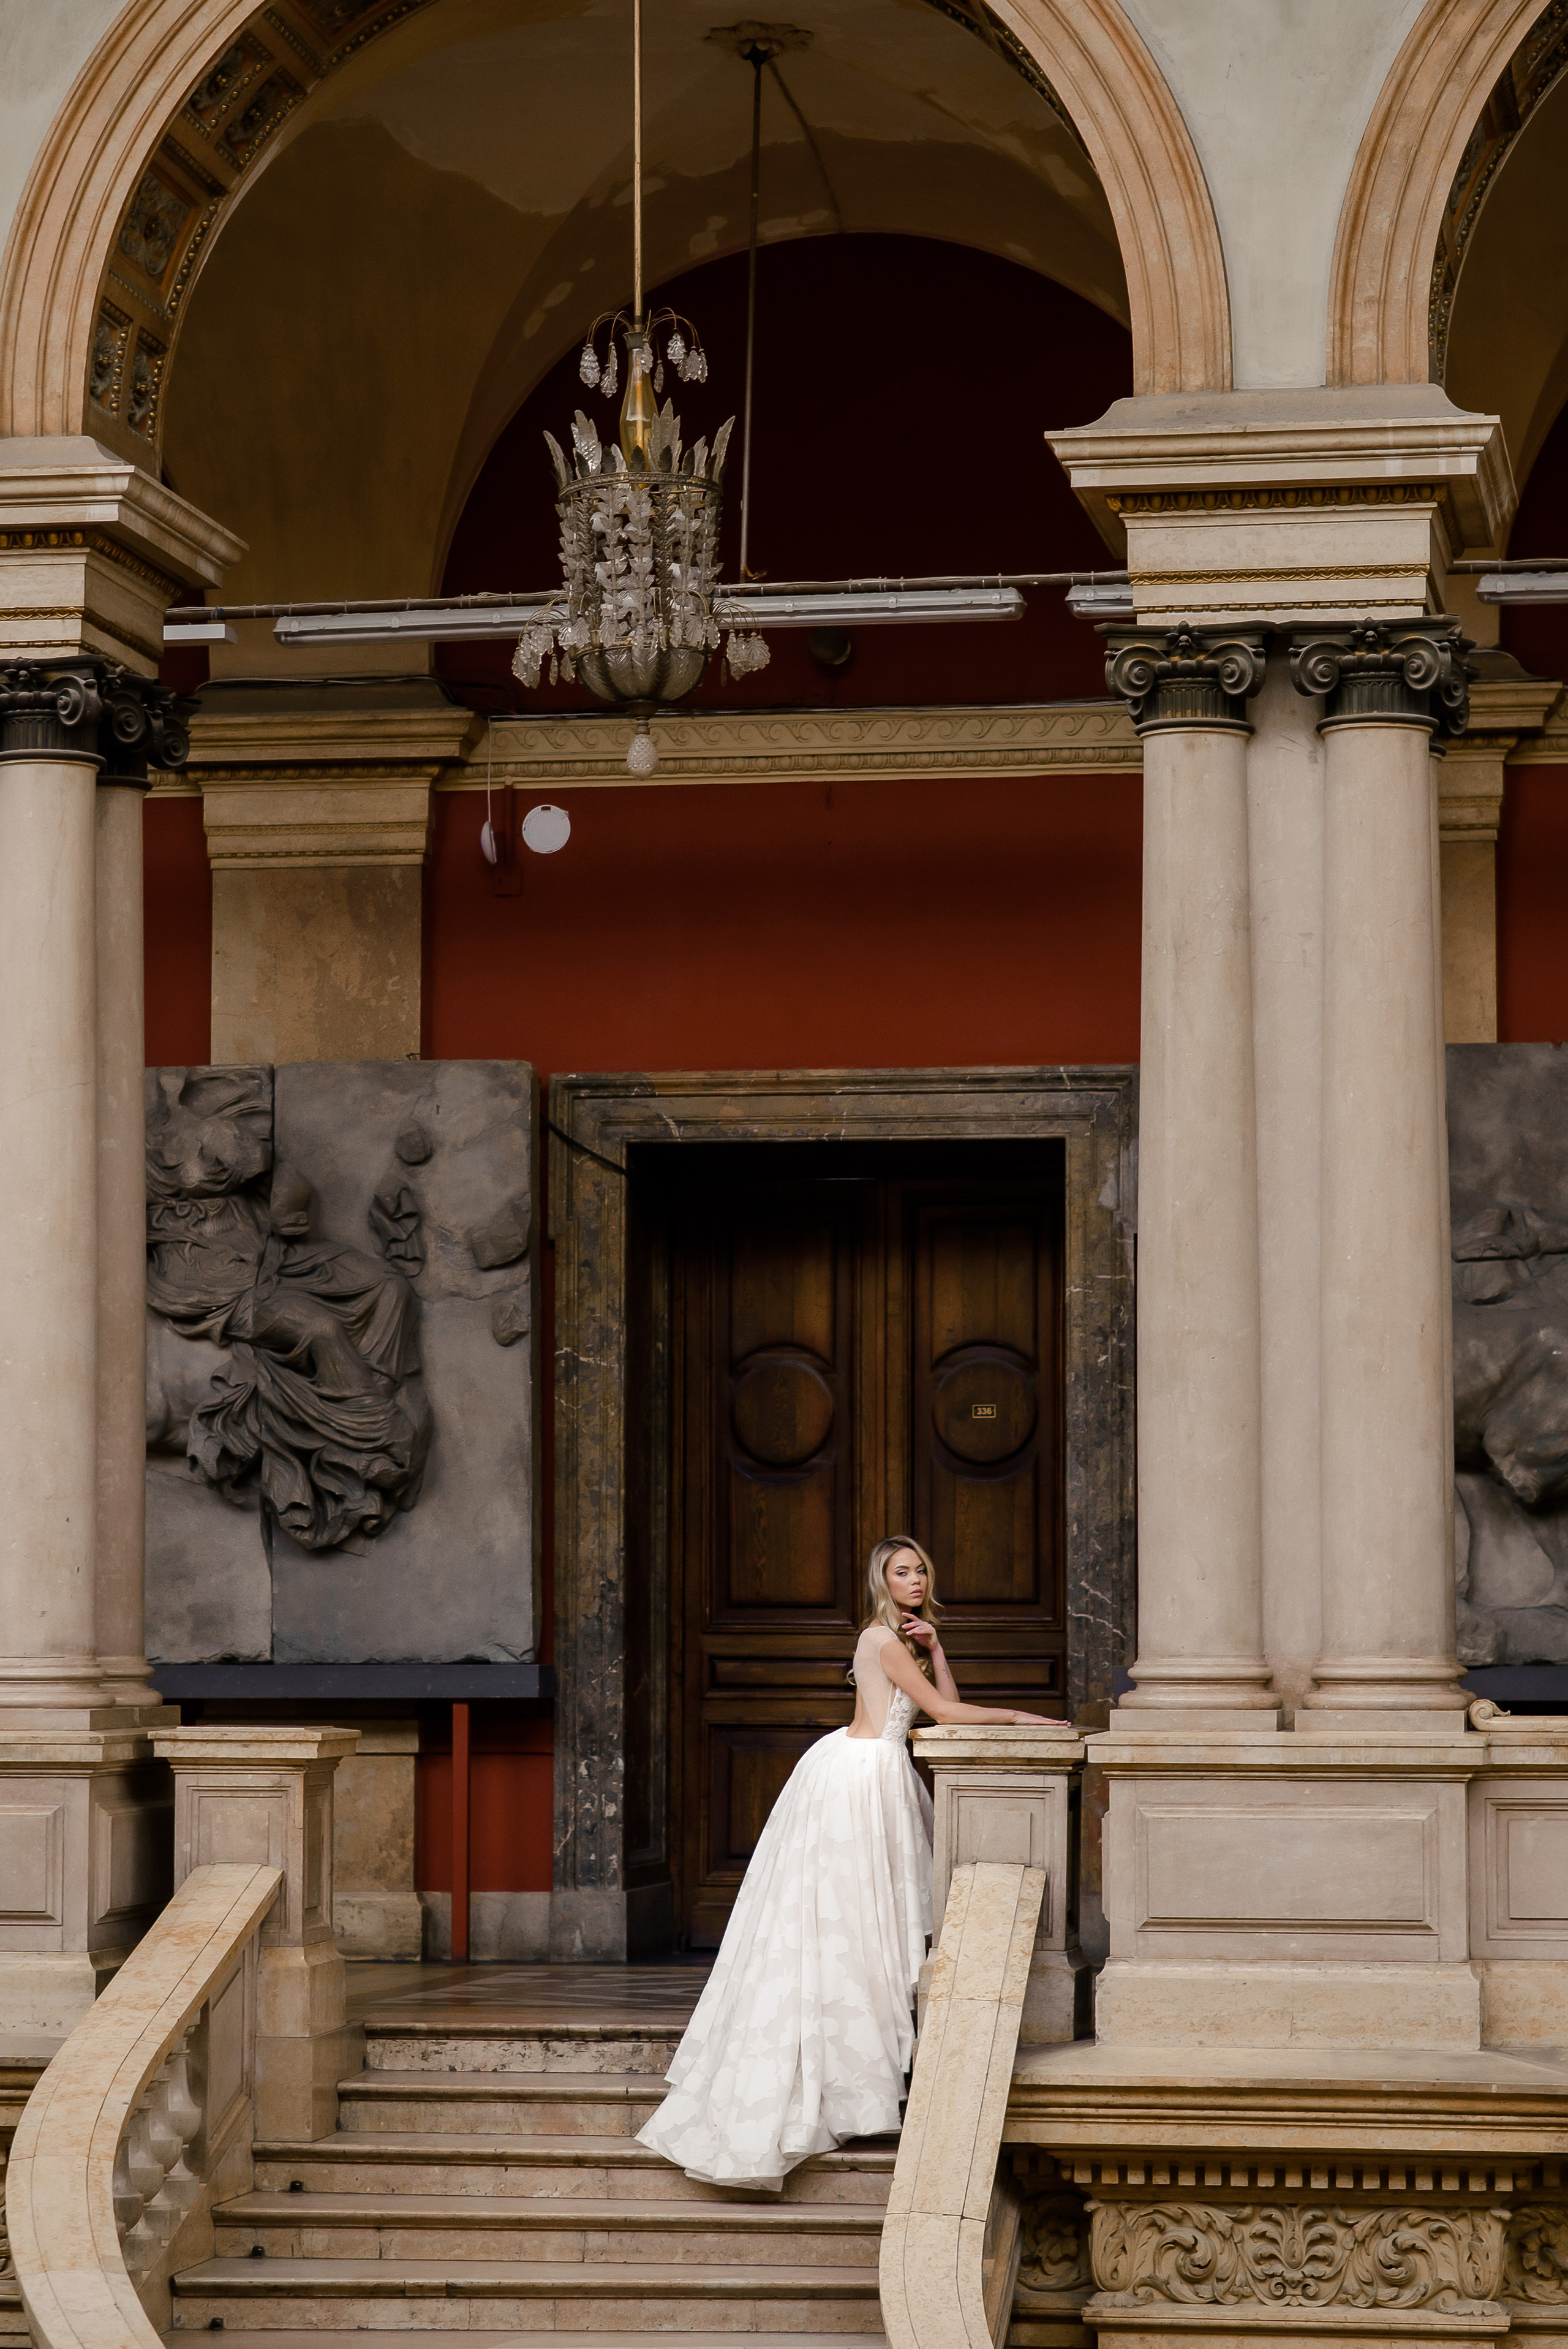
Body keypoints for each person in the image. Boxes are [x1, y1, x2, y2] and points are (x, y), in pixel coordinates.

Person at [636, 1534, 1052, 2190]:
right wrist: (1025, 1718)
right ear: (881, 1582)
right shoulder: (880, 1639)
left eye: (919, 1570)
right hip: (859, 1780)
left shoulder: (906, 1641)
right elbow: (945, 1714)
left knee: (869, 1925)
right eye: (901, 1572)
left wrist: (939, 1647)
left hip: (871, 1773)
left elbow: (941, 1703)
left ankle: (865, 2077)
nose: (914, 1580)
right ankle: (844, 2082)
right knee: (849, 1926)